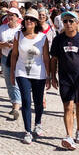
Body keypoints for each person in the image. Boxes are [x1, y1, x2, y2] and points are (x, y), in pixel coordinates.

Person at [49, 10, 79, 151]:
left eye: (71, 21)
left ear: (77, 23)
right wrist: (52, 76)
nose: (68, 24)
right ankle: (69, 136)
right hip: (65, 78)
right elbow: (54, 59)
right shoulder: (58, 40)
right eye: (65, 21)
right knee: (68, 107)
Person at [10, 11, 51, 144]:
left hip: (39, 73)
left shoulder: (42, 38)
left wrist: (49, 75)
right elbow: (14, 55)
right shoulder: (18, 35)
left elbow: (46, 57)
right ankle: (27, 131)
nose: (29, 21)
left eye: (32, 19)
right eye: (27, 19)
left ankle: (37, 122)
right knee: (26, 101)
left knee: (38, 102)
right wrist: (12, 72)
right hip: (22, 73)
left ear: (36, 22)